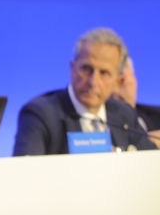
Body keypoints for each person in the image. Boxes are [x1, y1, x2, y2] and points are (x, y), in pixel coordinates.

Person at [13, 27, 156, 155]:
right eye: (86, 69)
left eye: (104, 73)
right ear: (72, 68)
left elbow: (150, 164)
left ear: (117, 80)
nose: (93, 82)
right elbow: (26, 175)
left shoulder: (124, 115)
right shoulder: (41, 114)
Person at [114, 56, 160, 148]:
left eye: (123, 80)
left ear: (135, 79)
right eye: (115, 81)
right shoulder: (98, 120)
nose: (119, 88)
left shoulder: (156, 114)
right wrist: (146, 141)